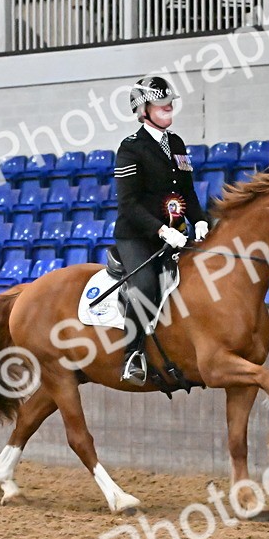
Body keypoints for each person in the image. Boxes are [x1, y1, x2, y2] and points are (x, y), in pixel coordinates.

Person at [112, 75, 210, 386]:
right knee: (144, 285)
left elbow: (187, 191)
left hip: (177, 232)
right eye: (161, 106)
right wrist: (161, 232)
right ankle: (133, 354)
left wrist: (201, 220)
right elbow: (128, 204)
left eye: (169, 105)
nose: (168, 109)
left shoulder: (177, 143)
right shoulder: (130, 149)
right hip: (136, 235)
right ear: (143, 110)